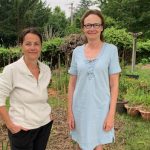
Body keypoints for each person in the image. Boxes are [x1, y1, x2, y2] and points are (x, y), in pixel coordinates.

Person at [68, 9, 121, 150]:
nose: (92, 28)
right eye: (88, 25)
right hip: (80, 107)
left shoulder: (111, 50)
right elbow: (72, 85)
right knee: (80, 143)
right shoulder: (77, 52)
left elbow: (114, 85)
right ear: (83, 28)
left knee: (98, 145)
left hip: (101, 108)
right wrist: (70, 112)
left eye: (96, 25)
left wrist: (111, 115)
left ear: (102, 27)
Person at [0, 27, 53, 150]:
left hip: (44, 125)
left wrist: (48, 114)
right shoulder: (11, 70)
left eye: (36, 44)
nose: (32, 47)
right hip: (22, 128)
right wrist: (10, 125)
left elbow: (42, 94)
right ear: (21, 46)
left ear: (41, 46)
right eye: (28, 44)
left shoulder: (46, 69)